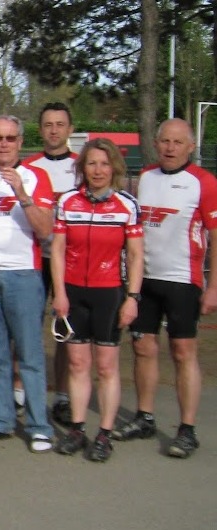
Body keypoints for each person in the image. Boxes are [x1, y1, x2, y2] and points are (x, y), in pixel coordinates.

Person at [117, 118, 217, 459]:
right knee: (143, 348)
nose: (170, 148)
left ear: (191, 147)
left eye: (178, 142)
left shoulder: (203, 182)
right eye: (165, 141)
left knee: (182, 352)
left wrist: (213, 286)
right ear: (157, 144)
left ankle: (187, 429)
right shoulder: (145, 176)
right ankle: (144, 417)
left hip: (182, 281)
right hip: (145, 280)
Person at [0, 115, 55, 452]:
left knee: (30, 353)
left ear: (20, 141)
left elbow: (45, 229)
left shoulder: (36, 176)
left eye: (10, 138)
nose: (4, 144)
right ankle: (0, 420)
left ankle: (38, 425)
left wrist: (21, 192)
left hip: (23, 274)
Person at [51, 139, 143, 462]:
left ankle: (104, 434)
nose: (98, 170)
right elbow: (59, 250)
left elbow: (135, 255)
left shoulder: (127, 205)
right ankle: (77, 428)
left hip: (110, 292)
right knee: (77, 364)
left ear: (114, 167)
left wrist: (132, 298)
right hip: (74, 292)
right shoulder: (67, 202)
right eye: (91, 164)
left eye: (104, 164)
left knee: (105, 367)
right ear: (82, 168)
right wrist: (59, 293)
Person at [24, 102, 79, 425]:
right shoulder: (28, 167)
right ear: (41, 129)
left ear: (69, 130)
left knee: (65, 331)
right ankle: (21, 391)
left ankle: (63, 395)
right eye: (48, 125)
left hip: (69, 260)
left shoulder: (82, 166)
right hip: (33, 257)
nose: (54, 130)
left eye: (60, 124)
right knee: (27, 328)